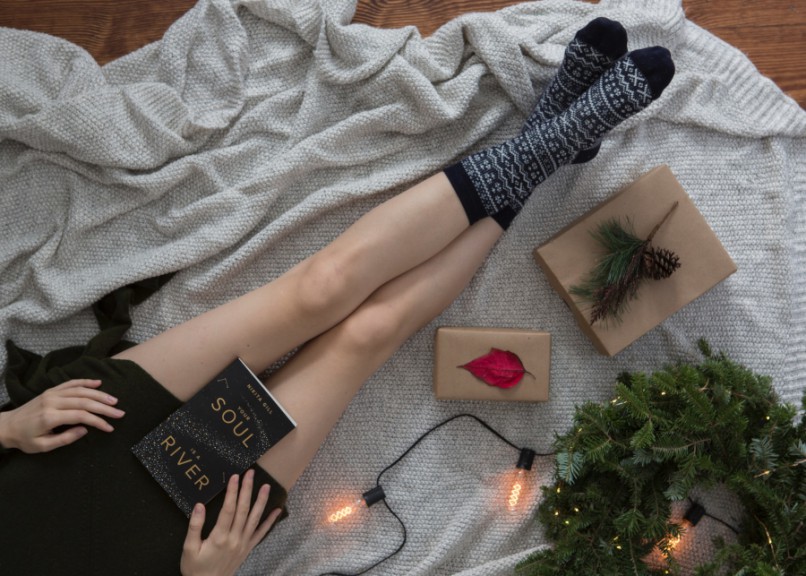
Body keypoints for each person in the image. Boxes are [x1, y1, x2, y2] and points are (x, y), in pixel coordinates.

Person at [0, 18, 673, 576]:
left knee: (319, 290)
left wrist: (5, 427)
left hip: (74, 442)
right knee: (366, 334)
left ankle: (552, 140)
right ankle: (554, 142)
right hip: (184, 532)